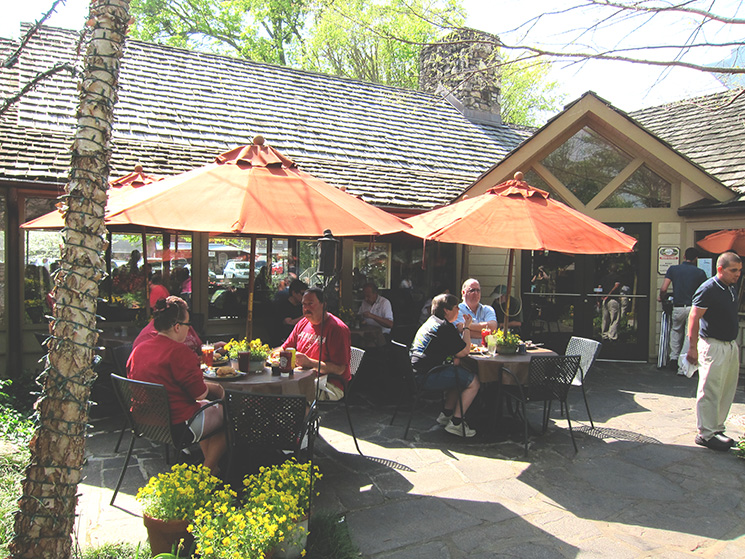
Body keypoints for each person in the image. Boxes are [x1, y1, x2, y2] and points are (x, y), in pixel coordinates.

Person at [127, 296, 226, 474]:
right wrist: (217, 388)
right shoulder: (179, 352)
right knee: (228, 411)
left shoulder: (138, 350)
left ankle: (213, 464)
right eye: (188, 325)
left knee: (206, 408)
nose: (189, 330)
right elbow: (200, 394)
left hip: (144, 422)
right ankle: (208, 470)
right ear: (177, 326)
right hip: (177, 427)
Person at [686, 251, 742, 451]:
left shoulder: (730, 288)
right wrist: (692, 348)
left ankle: (717, 428)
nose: (737, 274)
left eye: (739, 270)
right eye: (733, 270)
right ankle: (705, 434)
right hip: (713, 345)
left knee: (726, 389)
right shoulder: (708, 288)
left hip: (729, 345)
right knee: (710, 389)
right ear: (720, 269)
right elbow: (694, 318)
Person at [410, 293, 481, 437]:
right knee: (474, 382)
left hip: (415, 372)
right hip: (426, 376)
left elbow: (446, 346)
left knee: (458, 374)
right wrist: (467, 328)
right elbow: (464, 351)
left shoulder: (432, 322)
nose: (459, 311)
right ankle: (456, 423)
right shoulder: (443, 327)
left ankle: (447, 414)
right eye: (456, 307)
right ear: (446, 310)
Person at [282, 287, 351, 401]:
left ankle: (304, 418)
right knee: (273, 387)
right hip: (301, 377)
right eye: (304, 304)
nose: (306, 308)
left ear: (323, 305)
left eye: (310, 304)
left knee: (288, 390)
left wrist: (309, 363)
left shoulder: (337, 329)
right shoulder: (303, 322)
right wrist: (267, 355)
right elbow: (285, 348)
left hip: (330, 384)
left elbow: (340, 369)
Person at [659, 247, 707, 374]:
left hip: (678, 306)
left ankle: (673, 358)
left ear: (684, 256)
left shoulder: (673, 270)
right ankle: (683, 367)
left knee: (675, 331)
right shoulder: (700, 273)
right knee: (689, 335)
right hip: (693, 307)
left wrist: (661, 297)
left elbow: (664, 288)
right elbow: (704, 292)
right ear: (696, 259)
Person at [271, 279, 308, 346]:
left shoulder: (302, 306)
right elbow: (289, 322)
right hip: (283, 339)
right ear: (294, 293)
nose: (304, 297)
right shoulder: (283, 305)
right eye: (302, 294)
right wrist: (305, 316)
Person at [599, 265, 622, 341]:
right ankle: (612, 336)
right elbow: (616, 286)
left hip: (604, 300)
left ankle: (604, 335)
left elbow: (599, 288)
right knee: (614, 319)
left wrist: (599, 297)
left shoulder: (604, 278)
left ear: (609, 270)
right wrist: (609, 295)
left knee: (605, 318)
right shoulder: (617, 277)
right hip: (613, 299)